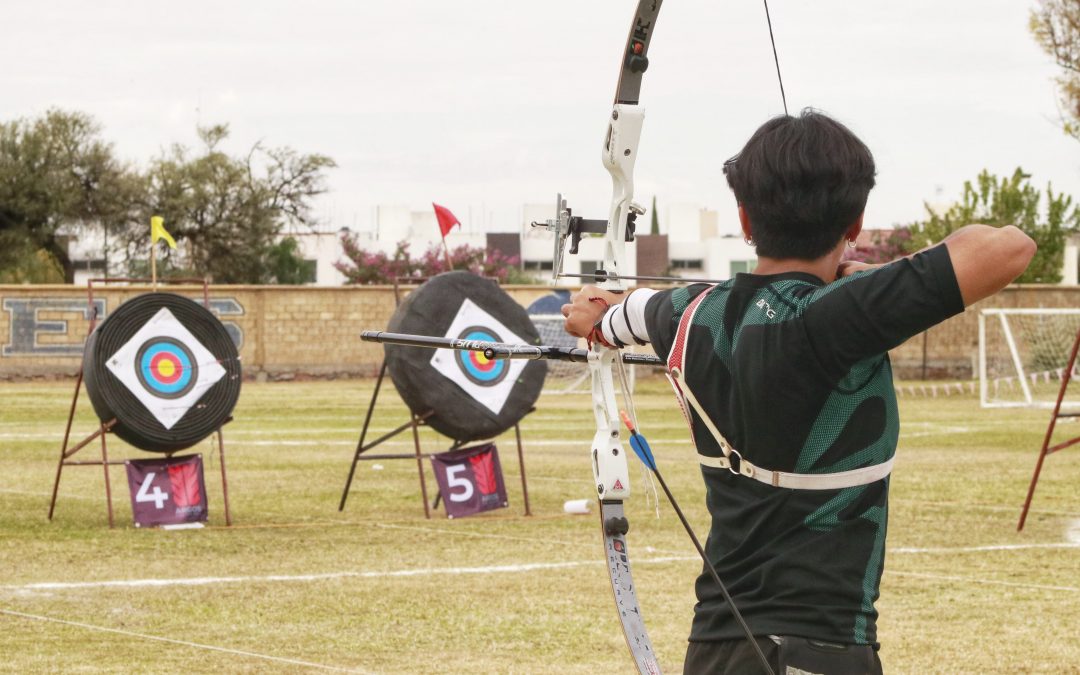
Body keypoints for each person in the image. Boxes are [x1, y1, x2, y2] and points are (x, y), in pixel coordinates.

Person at [562, 109, 1036, 674]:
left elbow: (624, 314)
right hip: (821, 649)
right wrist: (870, 277)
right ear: (856, 222)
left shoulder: (689, 311)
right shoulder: (841, 319)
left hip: (716, 644)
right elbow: (1007, 246)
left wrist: (593, 318)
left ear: (744, 217)